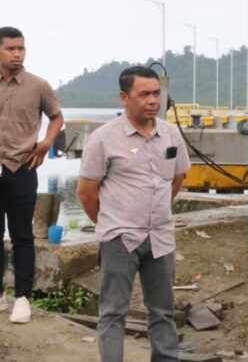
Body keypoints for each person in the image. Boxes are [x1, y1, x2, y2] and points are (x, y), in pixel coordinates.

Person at [76, 66, 190, 362]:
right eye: (145, 94)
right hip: (120, 239)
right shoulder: (103, 139)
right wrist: (111, 223)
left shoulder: (171, 133)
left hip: (161, 237)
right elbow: (86, 192)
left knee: (163, 311)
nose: (153, 100)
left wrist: (158, 210)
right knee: (113, 312)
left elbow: (177, 178)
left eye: (156, 93)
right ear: (124, 97)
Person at [0, 26, 63, 324]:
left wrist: (45, 143)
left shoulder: (38, 85)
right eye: (11, 49)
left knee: (22, 237)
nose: (17, 54)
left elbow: (57, 117)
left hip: (21, 169)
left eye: (21, 48)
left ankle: (22, 299)